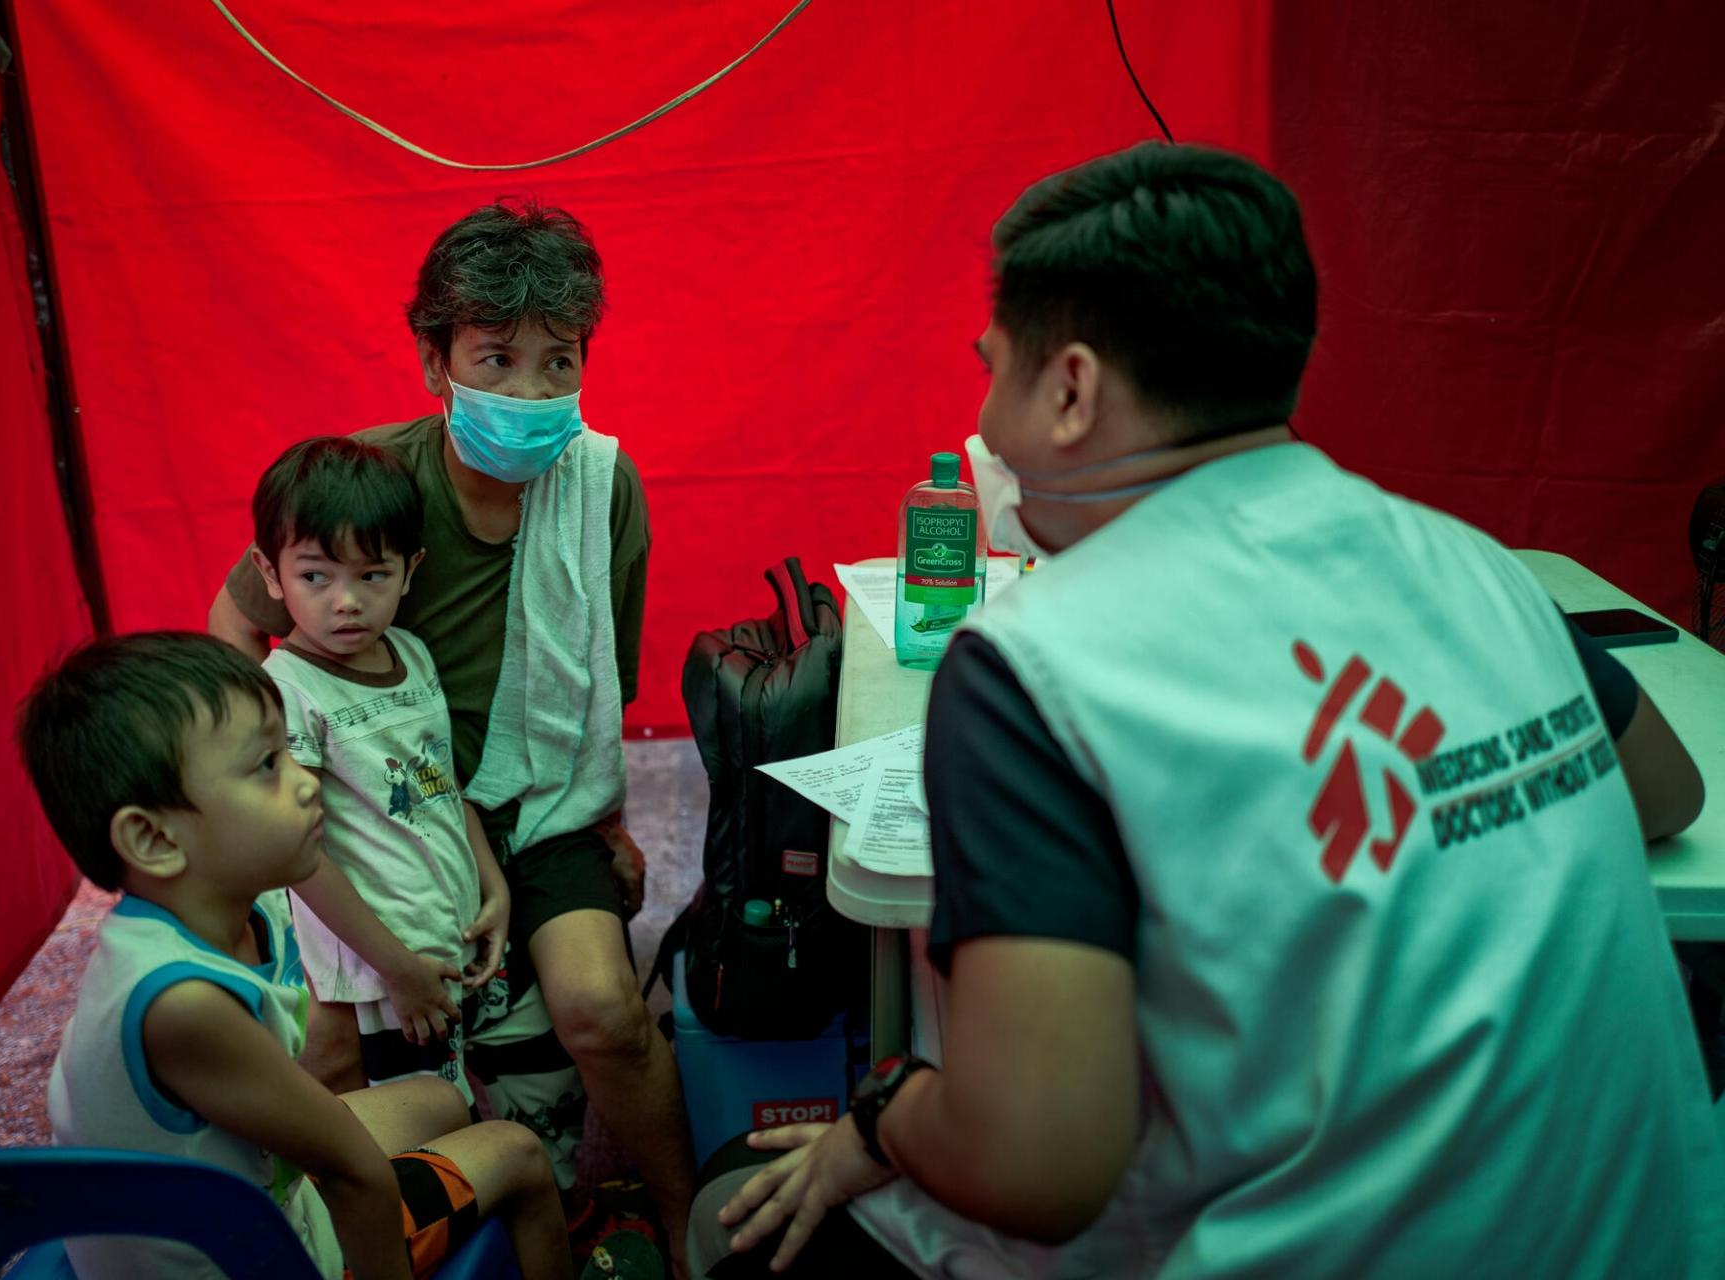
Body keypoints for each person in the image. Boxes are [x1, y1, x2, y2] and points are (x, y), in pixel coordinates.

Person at [711, 142, 1725, 1277]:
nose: (986, 429)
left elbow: (1035, 1165)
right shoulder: (1476, 563)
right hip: (1656, 1238)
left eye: (994, 372)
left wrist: (888, 1106)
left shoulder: (1030, 666)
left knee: (740, 1221)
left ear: (1074, 389)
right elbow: (1667, 789)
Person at [206, 199, 694, 1268]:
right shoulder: (366, 488)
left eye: (558, 362)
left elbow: (597, 678)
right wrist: (276, 798)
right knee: (338, 1039)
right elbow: (237, 617)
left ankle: (679, 1209)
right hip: (383, 813)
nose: (530, 392)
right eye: (497, 359)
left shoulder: (602, 488)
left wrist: (607, 819)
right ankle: (363, 1224)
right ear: (436, 361)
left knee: (602, 1007)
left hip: (540, 803)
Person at [20, 631, 569, 1280]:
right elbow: (354, 1178)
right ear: (152, 838)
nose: (308, 786)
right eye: (266, 767)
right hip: (257, 1257)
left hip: (226, 1195)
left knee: (440, 1102)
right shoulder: (183, 1004)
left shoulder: (223, 910)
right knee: (518, 1152)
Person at [249, 436, 508, 1104]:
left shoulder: (414, 655)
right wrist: (397, 969)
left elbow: (443, 785)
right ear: (270, 573)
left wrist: (493, 887)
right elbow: (295, 855)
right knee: (416, 1122)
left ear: (410, 569)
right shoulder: (286, 690)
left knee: (455, 1093)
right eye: (316, 576)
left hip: (443, 937)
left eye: (372, 575)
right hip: (379, 969)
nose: (346, 601)